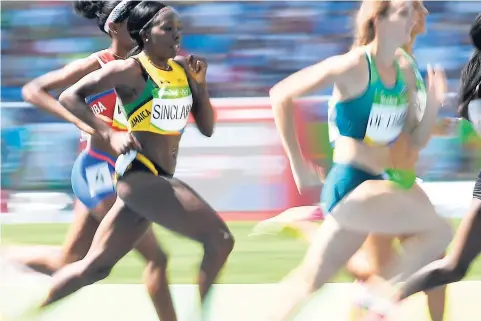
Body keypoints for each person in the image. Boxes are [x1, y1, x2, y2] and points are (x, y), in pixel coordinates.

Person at [28, 2, 234, 320]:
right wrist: (96, 129)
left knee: (86, 265)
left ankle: (21, 301)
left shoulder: (175, 68)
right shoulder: (108, 65)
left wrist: (200, 87)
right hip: (103, 167)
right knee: (175, 251)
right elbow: (39, 91)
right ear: (123, 28)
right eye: (160, 25)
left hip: (139, 170)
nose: (174, 33)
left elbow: (205, 127)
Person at [267, 0, 452, 320]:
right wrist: (298, 165)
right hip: (350, 185)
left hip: (382, 183)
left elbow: (416, 137)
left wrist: (434, 104)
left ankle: (375, 293)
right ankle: (378, 293)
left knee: (309, 282)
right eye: (404, 12)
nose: (414, 18)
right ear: (378, 20)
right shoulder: (352, 65)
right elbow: (280, 95)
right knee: (438, 234)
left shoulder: (405, 70)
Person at [10, 1, 181, 320]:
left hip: (125, 174)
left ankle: (7, 260)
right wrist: (85, 123)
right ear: (115, 27)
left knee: (68, 262)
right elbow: (34, 90)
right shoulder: (97, 63)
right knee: (156, 257)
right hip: (99, 171)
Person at [366, 13, 481, 318]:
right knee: (443, 263)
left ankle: (378, 303)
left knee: (443, 261)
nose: (421, 17)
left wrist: (437, 121)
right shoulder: (383, 65)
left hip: (398, 180)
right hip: (381, 180)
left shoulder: (412, 65)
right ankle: (378, 303)